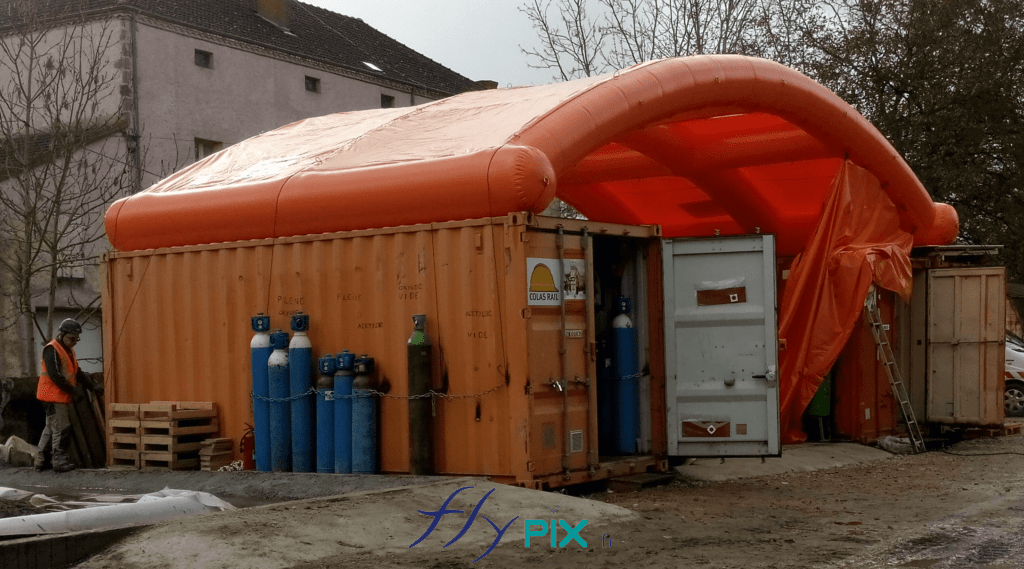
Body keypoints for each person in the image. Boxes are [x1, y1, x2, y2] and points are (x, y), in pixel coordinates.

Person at [34, 318, 102, 472]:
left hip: (54, 395)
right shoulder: (51, 349)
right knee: (62, 428)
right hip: (53, 396)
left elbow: (76, 372)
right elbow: (55, 375)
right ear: (62, 334)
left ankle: (41, 460)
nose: (75, 341)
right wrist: (74, 391)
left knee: (51, 428)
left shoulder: (68, 350)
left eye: (77, 339)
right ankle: (59, 461)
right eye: (72, 338)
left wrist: (92, 386)